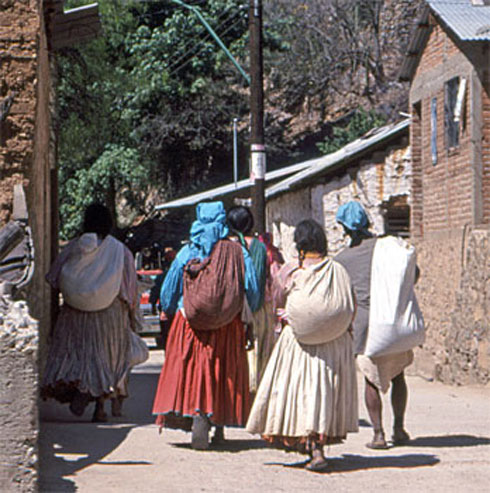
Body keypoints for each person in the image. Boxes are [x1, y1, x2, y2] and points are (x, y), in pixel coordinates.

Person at [246, 219, 358, 472]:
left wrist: (292, 316)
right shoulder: (338, 271)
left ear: (299, 244)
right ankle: (317, 447)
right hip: (332, 346)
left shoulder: (290, 272)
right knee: (321, 394)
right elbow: (351, 307)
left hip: (298, 343)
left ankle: (310, 447)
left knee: (301, 394)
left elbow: (276, 303)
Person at [151, 201, 260, 449]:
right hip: (227, 323)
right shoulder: (237, 252)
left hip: (189, 321)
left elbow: (169, 288)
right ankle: (219, 423)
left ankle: (193, 410)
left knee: (192, 367)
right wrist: (245, 312)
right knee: (222, 371)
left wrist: (169, 310)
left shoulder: (188, 251)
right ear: (222, 221)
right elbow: (252, 290)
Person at [41, 203, 141, 422]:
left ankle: (81, 388)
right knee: (105, 359)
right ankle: (101, 407)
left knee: (78, 354)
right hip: (110, 314)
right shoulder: (120, 251)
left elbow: (54, 277)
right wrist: (132, 316)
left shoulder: (74, 247)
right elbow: (129, 288)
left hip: (74, 312)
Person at [334, 200, 413, 449]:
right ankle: (399, 428)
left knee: (371, 378)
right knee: (398, 374)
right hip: (392, 319)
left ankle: (378, 434)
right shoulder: (388, 248)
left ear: (345, 228)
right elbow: (413, 272)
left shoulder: (341, 260)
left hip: (364, 326)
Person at [226, 206, 284, 394]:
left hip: (232, 310)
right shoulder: (261, 248)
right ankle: (257, 396)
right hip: (259, 309)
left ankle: (237, 397)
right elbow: (268, 281)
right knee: (260, 354)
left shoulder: (225, 246)